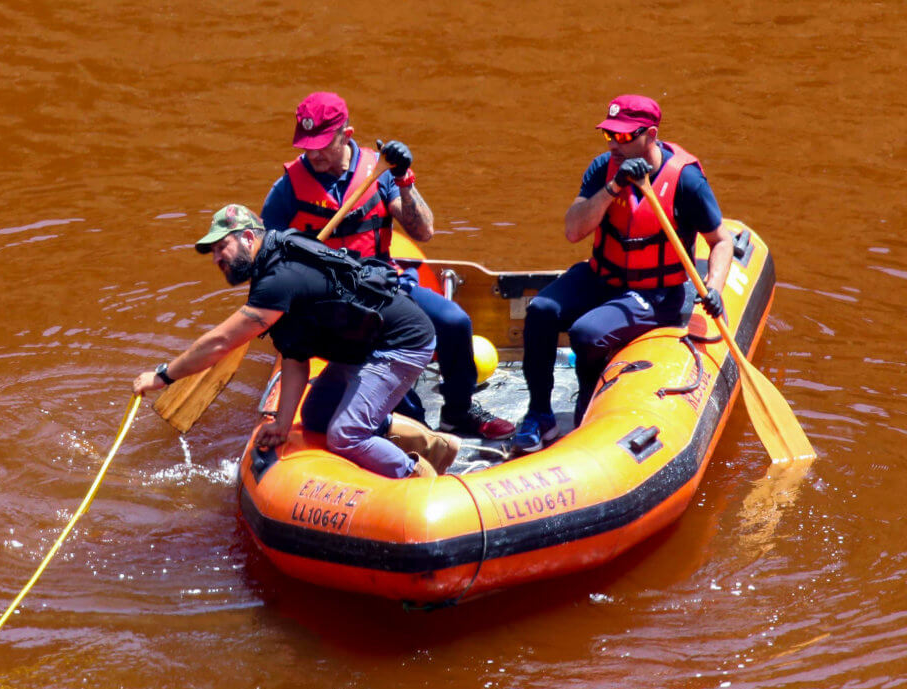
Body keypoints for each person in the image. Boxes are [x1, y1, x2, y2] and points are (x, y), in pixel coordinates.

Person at [133, 204, 460, 478]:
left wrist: (163, 376)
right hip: (361, 346)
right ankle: (434, 444)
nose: (217, 258)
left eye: (222, 247)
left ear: (248, 238)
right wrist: (284, 424)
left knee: (345, 435)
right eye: (214, 252)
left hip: (399, 342)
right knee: (317, 416)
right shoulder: (269, 271)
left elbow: (220, 342)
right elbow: (294, 356)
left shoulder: (278, 278)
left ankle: (418, 479)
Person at [260, 91, 515, 441]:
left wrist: (404, 180)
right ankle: (410, 424)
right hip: (330, 302)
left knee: (455, 322)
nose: (313, 153)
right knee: (358, 398)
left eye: (321, 143)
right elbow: (266, 256)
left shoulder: (378, 172)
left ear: (345, 135)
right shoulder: (287, 189)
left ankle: (459, 412)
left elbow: (423, 231)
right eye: (307, 145)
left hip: (383, 285)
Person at [512, 94, 732, 453]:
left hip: (658, 294)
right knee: (540, 310)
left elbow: (720, 240)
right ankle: (540, 414)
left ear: (651, 135)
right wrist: (612, 188)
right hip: (603, 277)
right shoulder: (604, 169)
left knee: (587, 333)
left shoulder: (687, 181)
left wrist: (714, 287)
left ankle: (587, 413)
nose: (615, 144)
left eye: (625, 137)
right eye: (609, 135)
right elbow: (573, 231)